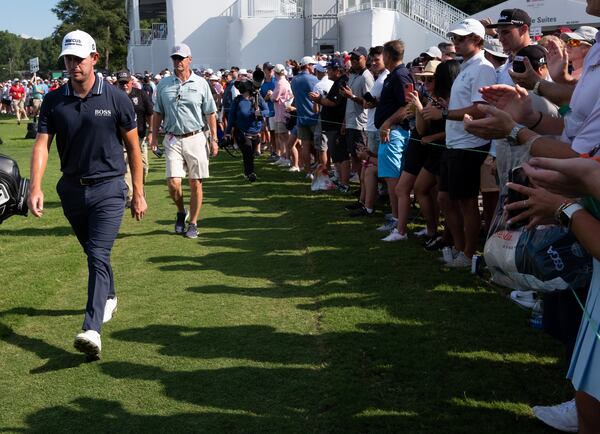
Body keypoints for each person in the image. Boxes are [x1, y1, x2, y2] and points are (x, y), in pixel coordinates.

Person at [27, 30, 147, 357]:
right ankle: (109, 296)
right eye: (68, 59)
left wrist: (138, 191)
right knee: (95, 253)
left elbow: (134, 149)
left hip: (109, 188)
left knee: (96, 253)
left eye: (79, 59)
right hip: (71, 190)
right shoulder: (54, 100)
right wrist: (35, 186)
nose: (73, 65)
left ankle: (91, 329)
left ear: (94, 58)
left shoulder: (116, 98)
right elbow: (42, 146)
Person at [423, 19, 497, 267]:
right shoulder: (467, 66)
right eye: (454, 38)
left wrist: (443, 114)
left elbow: (480, 108)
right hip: (457, 143)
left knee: (466, 202)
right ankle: (458, 247)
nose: (456, 42)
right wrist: (447, 109)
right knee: (446, 198)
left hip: (469, 145)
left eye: (461, 38)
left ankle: (467, 255)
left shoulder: (483, 68)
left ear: (477, 39)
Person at [151, 43, 219, 240]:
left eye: (181, 58)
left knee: (195, 183)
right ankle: (181, 211)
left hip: (196, 137)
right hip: (172, 137)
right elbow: (157, 113)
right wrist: (154, 136)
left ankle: (193, 223)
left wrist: (214, 139)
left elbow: (210, 113)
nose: (177, 61)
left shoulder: (201, 83)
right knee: (173, 182)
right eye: (175, 58)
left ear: (190, 59)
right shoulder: (164, 84)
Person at [373, 39, 414, 230]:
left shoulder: (400, 76)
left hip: (395, 132)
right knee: (391, 177)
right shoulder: (394, 75)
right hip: (391, 132)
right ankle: (396, 217)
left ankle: (398, 220)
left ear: (388, 56)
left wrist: (388, 122)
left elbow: (409, 104)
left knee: (393, 178)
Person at [117, 70, 154, 206]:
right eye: (121, 83)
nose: (124, 85)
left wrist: (151, 132)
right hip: (123, 139)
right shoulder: (115, 97)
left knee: (143, 167)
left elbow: (150, 114)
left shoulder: (141, 95)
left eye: (126, 82)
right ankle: (131, 197)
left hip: (140, 137)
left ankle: (139, 191)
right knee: (127, 167)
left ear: (131, 82)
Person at [225, 79, 269, 181]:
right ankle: (250, 174)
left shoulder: (257, 99)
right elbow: (231, 117)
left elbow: (268, 111)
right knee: (247, 152)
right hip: (241, 132)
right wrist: (227, 133)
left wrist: (261, 113)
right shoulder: (237, 101)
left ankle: (247, 172)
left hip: (255, 132)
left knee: (251, 154)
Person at [290, 56, 319, 178]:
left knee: (305, 146)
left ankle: (308, 172)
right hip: (314, 116)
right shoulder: (313, 79)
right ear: (307, 66)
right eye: (312, 65)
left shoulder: (294, 80)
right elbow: (318, 95)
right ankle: (321, 172)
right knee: (320, 148)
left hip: (301, 118)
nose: (314, 67)